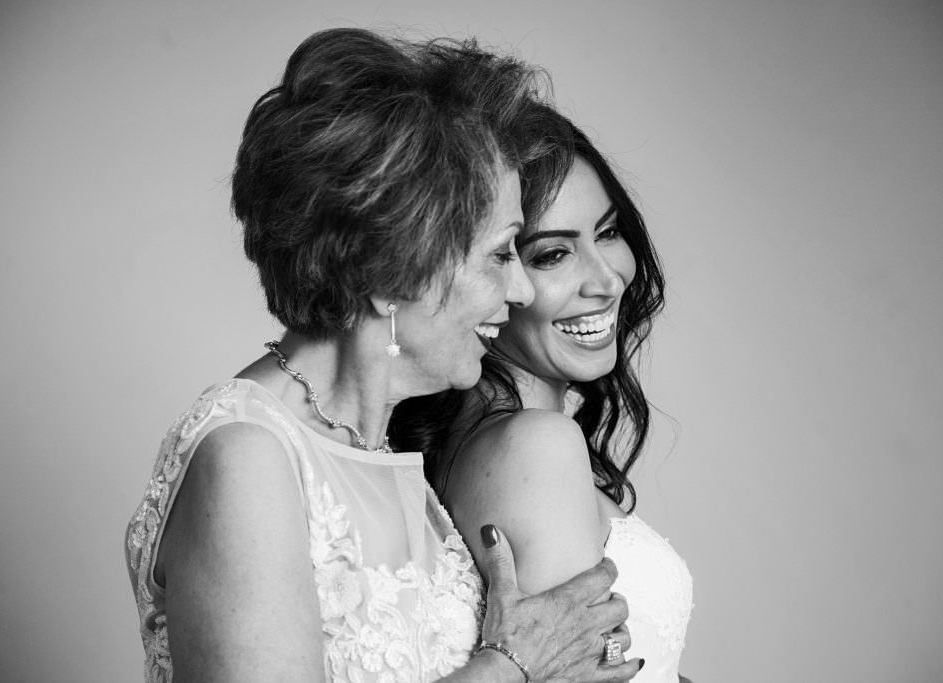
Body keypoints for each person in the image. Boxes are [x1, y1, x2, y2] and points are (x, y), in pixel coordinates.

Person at [124, 29, 644, 682]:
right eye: (500, 253)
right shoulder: (249, 456)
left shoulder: (382, 458)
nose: (517, 290)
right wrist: (511, 664)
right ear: (397, 269)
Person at [393, 105, 693, 682]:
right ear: (487, 273)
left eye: (607, 233)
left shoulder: (500, 437)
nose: (606, 279)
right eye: (552, 254)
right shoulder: (535, 445)